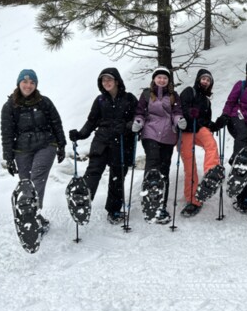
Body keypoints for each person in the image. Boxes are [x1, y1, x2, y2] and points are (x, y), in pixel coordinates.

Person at [1, 69, 66, 234]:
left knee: (37, 176)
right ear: (19, 83)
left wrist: (61, 145)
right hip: (22, 149)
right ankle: (36, 217)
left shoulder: (44, 102)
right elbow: (7, 134)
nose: (28, 85)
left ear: (36, 85)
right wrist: (9, 158)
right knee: (26, 184)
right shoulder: (10, 106)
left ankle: (30, 215)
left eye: (32, 83)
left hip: (46, 144)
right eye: (25, 82)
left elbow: (56, 123)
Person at [69, 68, 138, 225]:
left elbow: (138, 119)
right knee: (93, 172)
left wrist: (127, 126)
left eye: (109, 79)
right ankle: (83, 202)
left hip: (122, 143)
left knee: (117, 177)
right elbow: (92, 122)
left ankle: (113, 211)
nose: (106, 82)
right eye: (103, 80)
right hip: (101, 141)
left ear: (117, 81)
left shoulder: (129, 99)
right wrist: (80, 134)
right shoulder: (100, 100)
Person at [213, 58, 247, 213]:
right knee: (243, 143)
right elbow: (230, 102)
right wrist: (224, 116)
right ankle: (238, 159)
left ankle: (243, 196)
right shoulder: (241, 85)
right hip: (236, 119)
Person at [132, 66, 185, 224]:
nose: (161, 80)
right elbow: (140, 111)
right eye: (159, 77)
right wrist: (138, 121)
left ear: (168, 81)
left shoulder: (173, 96)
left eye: (165, 78)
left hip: (168, 135)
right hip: (150, 133)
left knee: (164, 169)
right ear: (154, 79)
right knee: (153, 165)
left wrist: (179, 120)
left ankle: (160, 204)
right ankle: (150, 201)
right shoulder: (147, 94)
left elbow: (176, 112)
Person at [178, 69, 221, 217]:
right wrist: (190, 114)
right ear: (198, 79)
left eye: (208, 80)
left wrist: (214, 125)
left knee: (211, 142)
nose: (205, 81)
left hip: (199, 129)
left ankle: (211, 173)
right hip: (186, 131)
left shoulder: (207, 101)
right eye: (203, 79)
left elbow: (206, 120)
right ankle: (192, 200)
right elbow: (180, 107)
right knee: (190, 166)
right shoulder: (190, 91)